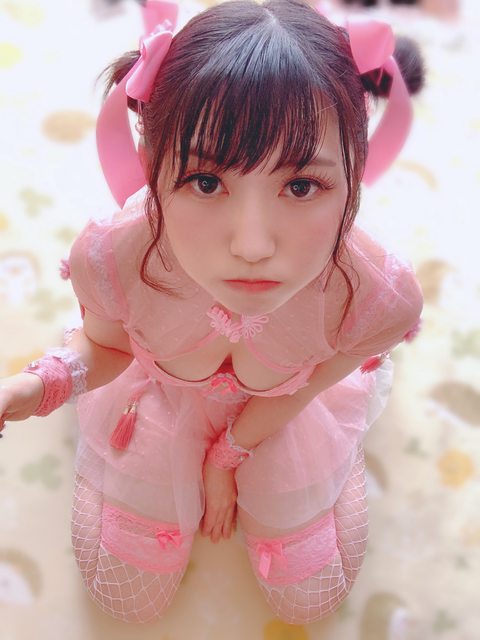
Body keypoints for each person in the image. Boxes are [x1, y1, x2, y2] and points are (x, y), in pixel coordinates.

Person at [0, 0, 425, 626]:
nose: (252, 246)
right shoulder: (116, 257)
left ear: (353, 176)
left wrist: (228, 457)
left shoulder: (372, 296)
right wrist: (35, 388)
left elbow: (310, 385)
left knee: (309, 601)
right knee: (128, 601)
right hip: (157, 400)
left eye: (301, 185)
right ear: (153, 166)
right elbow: (109, 347)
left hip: (283, 413)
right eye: (205, 181)